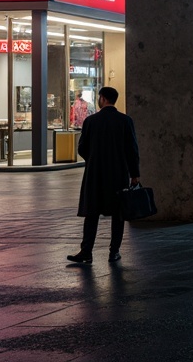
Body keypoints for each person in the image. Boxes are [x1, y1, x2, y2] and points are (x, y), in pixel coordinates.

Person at [69, 87, 138, 264]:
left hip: (95, 173)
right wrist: (134, 174)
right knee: (118, 213)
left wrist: (93, 159)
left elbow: (82, 147)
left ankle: (86, 252)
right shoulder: (125, 121)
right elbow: (132, 149)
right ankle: (114, 251)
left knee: (92, 212)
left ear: (103, 99)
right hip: (118, 173)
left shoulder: (91, 121)